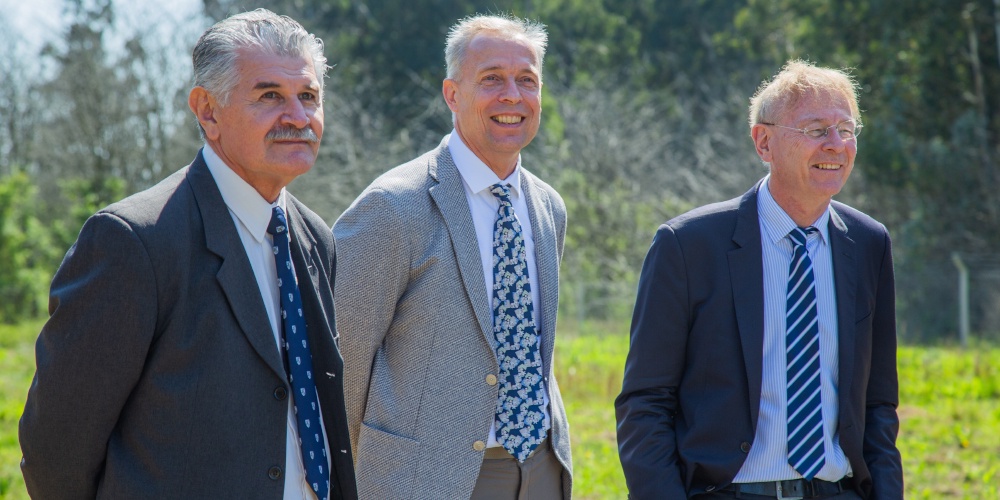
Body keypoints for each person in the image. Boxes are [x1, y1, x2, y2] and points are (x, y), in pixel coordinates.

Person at [19, 9, 357, 499]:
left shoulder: (313, 236)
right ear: (208, 112)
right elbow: (57, 448)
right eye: (270, 96)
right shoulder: (134, 241)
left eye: (308, 96)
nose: (298, 117)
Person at [615, 60, 903, 500]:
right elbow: (645, 403)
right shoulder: (688, 246)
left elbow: (878, 405)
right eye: (816, 130)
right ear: (764, 142)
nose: (835, 145)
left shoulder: (868, 244)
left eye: (846, 130)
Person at [332, 13, 572, 499]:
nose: (512, 95)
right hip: (429, 480)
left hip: (542, 469)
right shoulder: (394, 207)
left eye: (527, 81)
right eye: (492, 80)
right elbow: (341, 363)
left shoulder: (548, 206)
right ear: (452, 94)